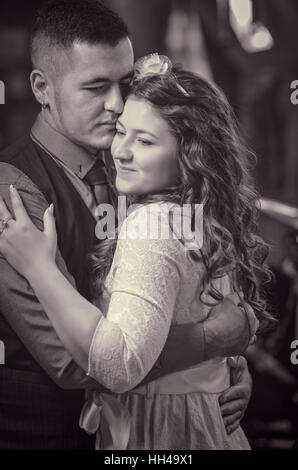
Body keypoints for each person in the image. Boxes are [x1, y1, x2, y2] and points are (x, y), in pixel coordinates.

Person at [0, 0, 255, 450]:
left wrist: (227, 366)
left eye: (125, 83)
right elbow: (77, 365)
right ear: (42, 87)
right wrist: (213, 340)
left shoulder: (139, 160)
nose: (118, 104)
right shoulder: (12, 189)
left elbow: (190, 285)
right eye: (96, 87)